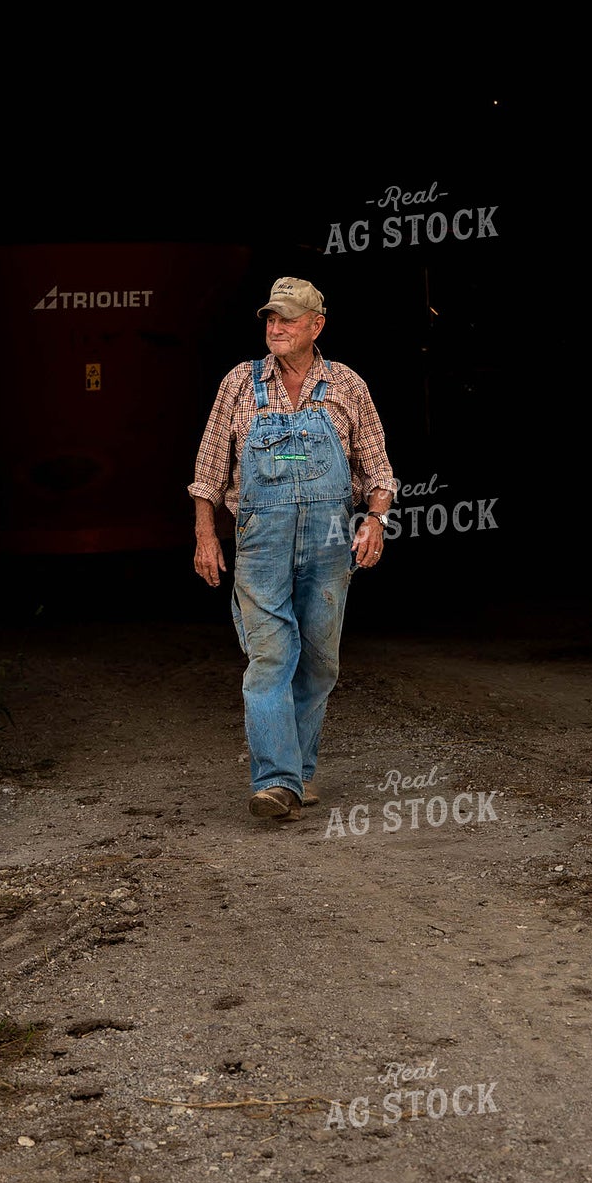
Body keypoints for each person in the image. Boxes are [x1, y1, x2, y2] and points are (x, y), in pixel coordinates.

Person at [190, 277, 395, 820]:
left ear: (316, 325)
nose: (275, 328)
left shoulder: (346, 385)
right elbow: (209, 470)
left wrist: (375, 521)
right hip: (261, 540)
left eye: (287, 319)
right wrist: (205, 535)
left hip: (330, 542)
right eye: (270, 319)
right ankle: (276, 780)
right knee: (271, 655)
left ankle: (298, 774)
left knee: (320, 662)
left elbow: (379, 471)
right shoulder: (239, 383)